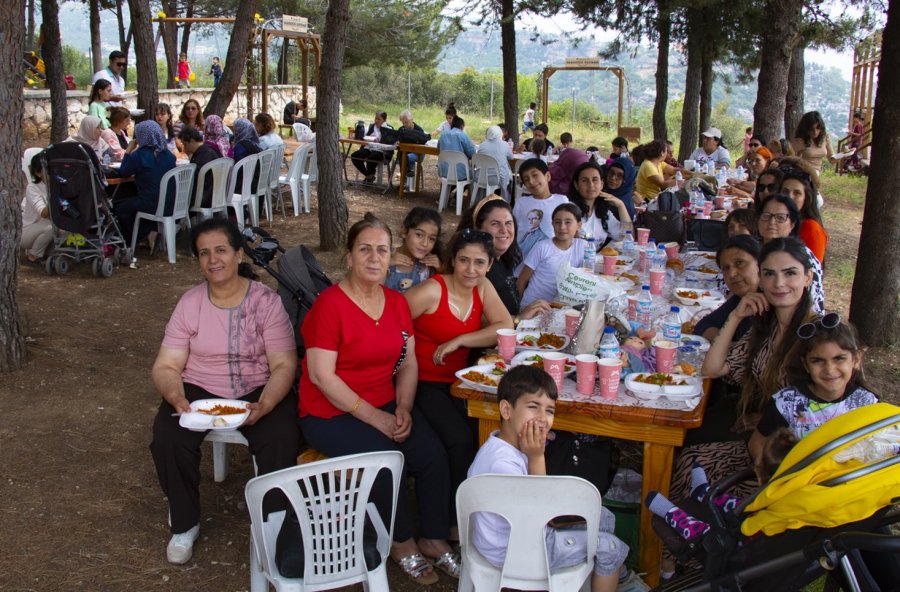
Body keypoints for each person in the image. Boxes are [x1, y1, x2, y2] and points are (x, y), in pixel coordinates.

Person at [299, 213, 457, 585]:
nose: (374, 258)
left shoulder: (397, 302)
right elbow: (323, 376)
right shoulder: (330, 305)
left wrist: (402, 407)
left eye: (382, 250)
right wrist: (377, 418)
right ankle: (400, 542)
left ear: (392, 256)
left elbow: (407, 362)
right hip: (329, 412)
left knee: (432, 454)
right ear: (349, 256)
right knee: (390, 461)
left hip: (385, 402)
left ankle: (433, 537)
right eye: (365, 249)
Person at [150, 218, 301, 565]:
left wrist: (265, 403)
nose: (213, 260)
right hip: (200, 387)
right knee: (167, 437)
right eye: (204, 253)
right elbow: (167, 365)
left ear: (236, 253)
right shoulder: (190, 303)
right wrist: (176, 397)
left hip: (257, 386)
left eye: (220, 250)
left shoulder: (265, 302)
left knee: (281, 435)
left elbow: (282, 365)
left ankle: (274, 525)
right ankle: (184, 522)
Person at [468, 365, 650, 592]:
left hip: (506, 539)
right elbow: (542, 516)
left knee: (603, 515)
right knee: (611, 547)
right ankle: (615, 574)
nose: (543, 418)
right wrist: (536, 457)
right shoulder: (503, 466)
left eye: (550, 411)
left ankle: (613, 574)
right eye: (533, 407)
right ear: (506, 410)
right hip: (519, 554)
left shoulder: (498, 444)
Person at [404, 228, 514, 545]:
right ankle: (451, 525)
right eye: (464, 260)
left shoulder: (482, 287)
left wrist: (462, 339)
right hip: (422, 380)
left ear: (490, 265)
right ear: (453, 259)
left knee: (483, 434)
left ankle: (468, 517)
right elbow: (390, 319)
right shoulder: (432, 291)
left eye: (479, 262)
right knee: (460, 440)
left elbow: (504, 326)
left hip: (459, 383)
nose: (471, 269)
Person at [751, 314, 878, 456]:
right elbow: (758, 443)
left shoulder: (868, 403)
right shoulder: (786, 404)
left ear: (856, 359)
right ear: (805, 364)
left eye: (839, 358)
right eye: (817, 360)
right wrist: (776, 474)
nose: (829, 369)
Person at [646, 430, 798, 543]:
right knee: (747, 506)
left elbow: (738, 532)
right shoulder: (794, 498)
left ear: (760, 476)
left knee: (708, 535)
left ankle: (672, 513)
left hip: (740, 544)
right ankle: (703, 493)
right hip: (770, 518)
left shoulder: (762, 526)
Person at [456, 197, 552, 321]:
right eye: (495, 224)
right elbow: (471, 318)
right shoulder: (475, 267)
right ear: (478, 229)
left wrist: (528, 311)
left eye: (508, 223)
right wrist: (519, 318)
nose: (504, 230)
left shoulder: (502, 260)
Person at [756, 194, 825, 313]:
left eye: (780, 218)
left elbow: (811, 306)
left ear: (792, 224)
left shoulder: (802, 257)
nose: (772, 222)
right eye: (766, 216)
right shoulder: (756, 248)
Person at [114, 121, 176, 250]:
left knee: (120, 208)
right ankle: (149, 232)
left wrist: (128, 151)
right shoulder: (169, 156)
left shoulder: (139, 155)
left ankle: (132, 240)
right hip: (170, 204)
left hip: (151, 204)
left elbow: (124, 172)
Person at [692, 235, 761, 342]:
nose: (732, 274)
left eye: (739, 263)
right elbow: (702, 326)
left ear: (760, 263)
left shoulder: (773, 305)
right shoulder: (740, 299)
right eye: (726, 268)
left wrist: (728, 345)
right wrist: (729, 344)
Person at [518, 203, 586, 307]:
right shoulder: (542, 247)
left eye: (568, 222)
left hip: (563, 308)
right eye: (557, 222)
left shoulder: (583, 247)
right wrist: (519, 309)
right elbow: (521, 281)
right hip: (534, 307)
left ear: (579, 225)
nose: (562, 227)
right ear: (552, 224)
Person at [568, 161, 632, 245]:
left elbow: (626, 236)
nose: (591, 185)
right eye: (584, 180)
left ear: (602, 184)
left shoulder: (603, 212)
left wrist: (621, 205)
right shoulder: (569, 210)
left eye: (595, 180)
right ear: (576, 185)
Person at [512, 158, 569, 249]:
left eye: (535, 175)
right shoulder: (521, 203)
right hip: (522, 257)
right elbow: (513, 229)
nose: (531, 181)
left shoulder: (561, 201)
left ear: (547, 176)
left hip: (551, 255)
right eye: (526, 179)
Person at [386, 206, 443, 293]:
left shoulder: (428, 266)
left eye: (431, 239)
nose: (425, 243)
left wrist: (440, 269)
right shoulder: (385, 256)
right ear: (404, 231)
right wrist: (384, 265)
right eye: (419, 235)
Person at [778, 166, 827, 263]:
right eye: (785, 191)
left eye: (797, 193)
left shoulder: (812, 228)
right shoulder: (775, 221)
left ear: (806, 198)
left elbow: (814, 272)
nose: (789, 197)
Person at [20, 154, 53, 266]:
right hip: (28, 230)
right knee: (52, 227)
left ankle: (50, 254)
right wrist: (54, 195)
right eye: (48, 171)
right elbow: (43, 213)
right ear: (38, 173)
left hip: (45, 226)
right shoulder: (33, 188)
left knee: (67, 227)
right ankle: (33, 256)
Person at [178, 127, 221, 208]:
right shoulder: (206, 150)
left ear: (192, 141)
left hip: (204, 197)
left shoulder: (203, 154)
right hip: (213, 194)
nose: (184, 148)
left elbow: (194, 177)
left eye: (185, 145)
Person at [351, 111, 393, 184]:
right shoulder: (371, 127)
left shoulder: (389, 129)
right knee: (355, 156)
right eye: (375, 118)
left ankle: (370, 176)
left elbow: (390, 144)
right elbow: (362, 137)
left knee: (372, 157)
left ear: (384, 120)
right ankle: (369, 175)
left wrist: (380, 140)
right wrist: (367, 137)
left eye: (379, 119)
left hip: (382, 151)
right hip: (369, 148)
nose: (376, 121)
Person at [791, 111, 834, 176]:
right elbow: (790, 158)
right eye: (811, 129)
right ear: (806, 129)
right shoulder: (800, 141)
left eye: (818, 128)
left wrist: (843, 154)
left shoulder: (825, 138)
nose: (815, 132)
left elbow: (832, 160)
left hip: (816, 173)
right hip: (803, 173)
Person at [476, 125, 513, 199]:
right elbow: (511, 157)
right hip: (499, 179)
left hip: (482, 177)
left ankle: (479, 199)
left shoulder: (482, 145)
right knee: (509, 175)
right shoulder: (505, 144)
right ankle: (505, 200)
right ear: (500, 133)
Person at [437, 115, 476, 181]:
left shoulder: (443, 135)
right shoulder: (463, 135)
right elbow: (472, 154)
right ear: (462, 126)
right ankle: (460, 190)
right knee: (474, 176)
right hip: (461, 174)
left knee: (448, 184)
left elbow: (438, 149)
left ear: (451, 126)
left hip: (444, 172)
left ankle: (448, 190)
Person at [398, 110, 428, 179]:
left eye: (406, 122)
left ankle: (405, 179)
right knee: (402, 155)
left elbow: (422, 144)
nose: (405, 125)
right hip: (404, 152)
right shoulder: (401, 129)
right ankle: (406, 176)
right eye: (403, 123)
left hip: (417, 153)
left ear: (412, 119)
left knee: (405, 157)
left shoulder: (419, 130)